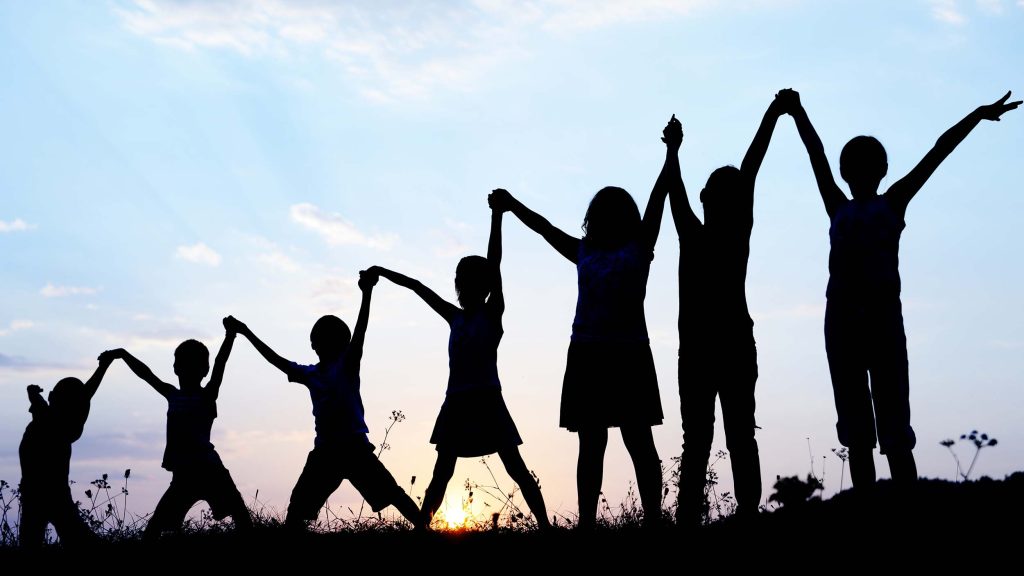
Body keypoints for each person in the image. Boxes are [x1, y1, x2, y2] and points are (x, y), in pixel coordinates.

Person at [781, 89, 1020, 487]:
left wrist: (977, 115)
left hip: (878, 326)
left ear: (876, 170)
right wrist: (798, 113)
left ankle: (902, 507)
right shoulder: (850, 207)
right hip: (847, 328)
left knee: (889, 431)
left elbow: (938, 151)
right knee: (863, 433)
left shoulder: (881, 204)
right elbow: (818, 154)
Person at [489, 116, 680, 528]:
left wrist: (671, 152)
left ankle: (650, 521)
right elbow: (544, 229)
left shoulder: (637, 246)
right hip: (592, 354)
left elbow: (659, 196)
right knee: (594, 444)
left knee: (636, 441)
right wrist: (512, 204)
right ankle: (589, 526)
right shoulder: (589, 252)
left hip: (624, 353)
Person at [368, 194, 550, 529]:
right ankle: (422, 528)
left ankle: (545, 526)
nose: (462, 286)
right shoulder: (455, 317)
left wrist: (497, 216)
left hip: (487, 399)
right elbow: (417, 287)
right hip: (457, 402)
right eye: (460, 280)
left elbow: (495, 262)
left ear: (483, 286)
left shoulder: (492, 313)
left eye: (467, 280)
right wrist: (381, 271)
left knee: (516, 468)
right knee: (442, 473)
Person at [226, 272, 424, 530]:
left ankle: (425, 528)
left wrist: (367, 293)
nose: (320, 344)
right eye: (319, 340)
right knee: (299, 506)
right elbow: (275, 360)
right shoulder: (311, 374)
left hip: (353, 448)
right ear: (315, 345)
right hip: (328, 451)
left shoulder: (348, 364)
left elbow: (361, 330)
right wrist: (245, 332)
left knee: (392, 493)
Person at [671, 94, 787, 525]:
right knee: (734, 435)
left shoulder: (698, 234)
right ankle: (742, 515)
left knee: (704, 440)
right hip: (723, 346)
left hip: (709, 349)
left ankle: (697, 518)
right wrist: (773, 113)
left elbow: (680, 189)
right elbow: (750, 166)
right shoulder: (726, 232)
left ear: (706, 198)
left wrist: (673, 151)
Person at [107, 321, 252, 539]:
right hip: (184, 474)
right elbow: (145, 374)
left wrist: (230, 336)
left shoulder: (207, 395)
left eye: (192, 365)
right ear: (176, 368)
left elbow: (220, 362)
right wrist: (123, 354)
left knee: (243, 521)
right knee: (158, 528)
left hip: (210, 470)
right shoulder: (173, 395)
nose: (186, 369)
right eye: (183, 364)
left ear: (203, 370)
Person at [18, 352, 115, 547]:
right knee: (74, 539)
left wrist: (34, 395)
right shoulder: (60, 422)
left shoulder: (53, 421)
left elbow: (83, 395)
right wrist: (102, 367)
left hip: (45, 494)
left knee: (67, 539)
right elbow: (84, 395)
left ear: (53, 397)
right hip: (46, 494)